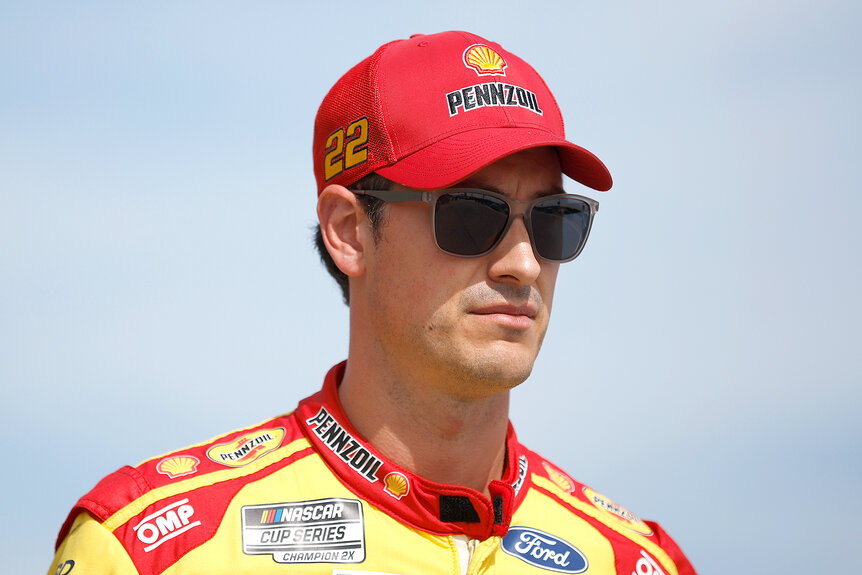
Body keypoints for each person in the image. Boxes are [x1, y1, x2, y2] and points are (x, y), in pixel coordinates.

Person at [48, 31, 696, 575]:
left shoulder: (634, 561)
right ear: (349, 232)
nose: (524, 263)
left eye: (555, 219)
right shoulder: (149, 553)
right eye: (473, 215)